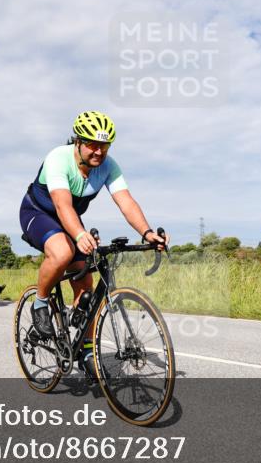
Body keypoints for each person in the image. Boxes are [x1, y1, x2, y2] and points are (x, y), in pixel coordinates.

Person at [19, 110, 168, 376]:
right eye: (92, 144)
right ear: (78, 141)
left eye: (105, 145)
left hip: (70, 220)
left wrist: (147, 232)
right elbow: (62, 206)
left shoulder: (109, 166)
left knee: (87, 283)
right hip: (39, 214)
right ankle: (41, 302)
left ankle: (86, 349)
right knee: (63, 251)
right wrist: (79, 235)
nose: (99, 151)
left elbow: (126, 202)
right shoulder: (58, 158)